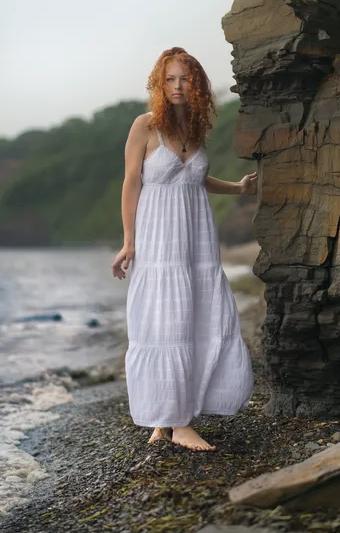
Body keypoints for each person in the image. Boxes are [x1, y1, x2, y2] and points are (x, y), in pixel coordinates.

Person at [111, 47, 257, 451]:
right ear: (160, 83)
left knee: (198, 318)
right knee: (164, 321)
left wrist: (239, 188)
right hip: (159, 237)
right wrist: (128, 241)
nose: (177, 86)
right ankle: (175, 423)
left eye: (185, 79)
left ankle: (167, 418)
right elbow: (131, 183)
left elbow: (197, 179)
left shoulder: (194, 128)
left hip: (196, 236)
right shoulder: (145, 126)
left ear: (197, 84)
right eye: (170, 79)